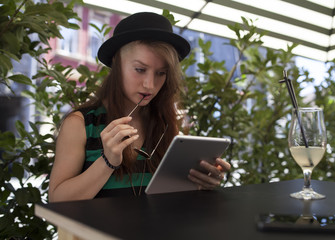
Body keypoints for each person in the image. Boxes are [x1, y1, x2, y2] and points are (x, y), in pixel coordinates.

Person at [48, 12, 231, 202]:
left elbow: (170, 198)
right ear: (116, 64)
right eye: (140, 70)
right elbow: (57, 200)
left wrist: (199, 184)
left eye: (161, 73)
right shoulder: (81, 124)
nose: (150, 85)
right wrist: (107, 161)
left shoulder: (165, 124)